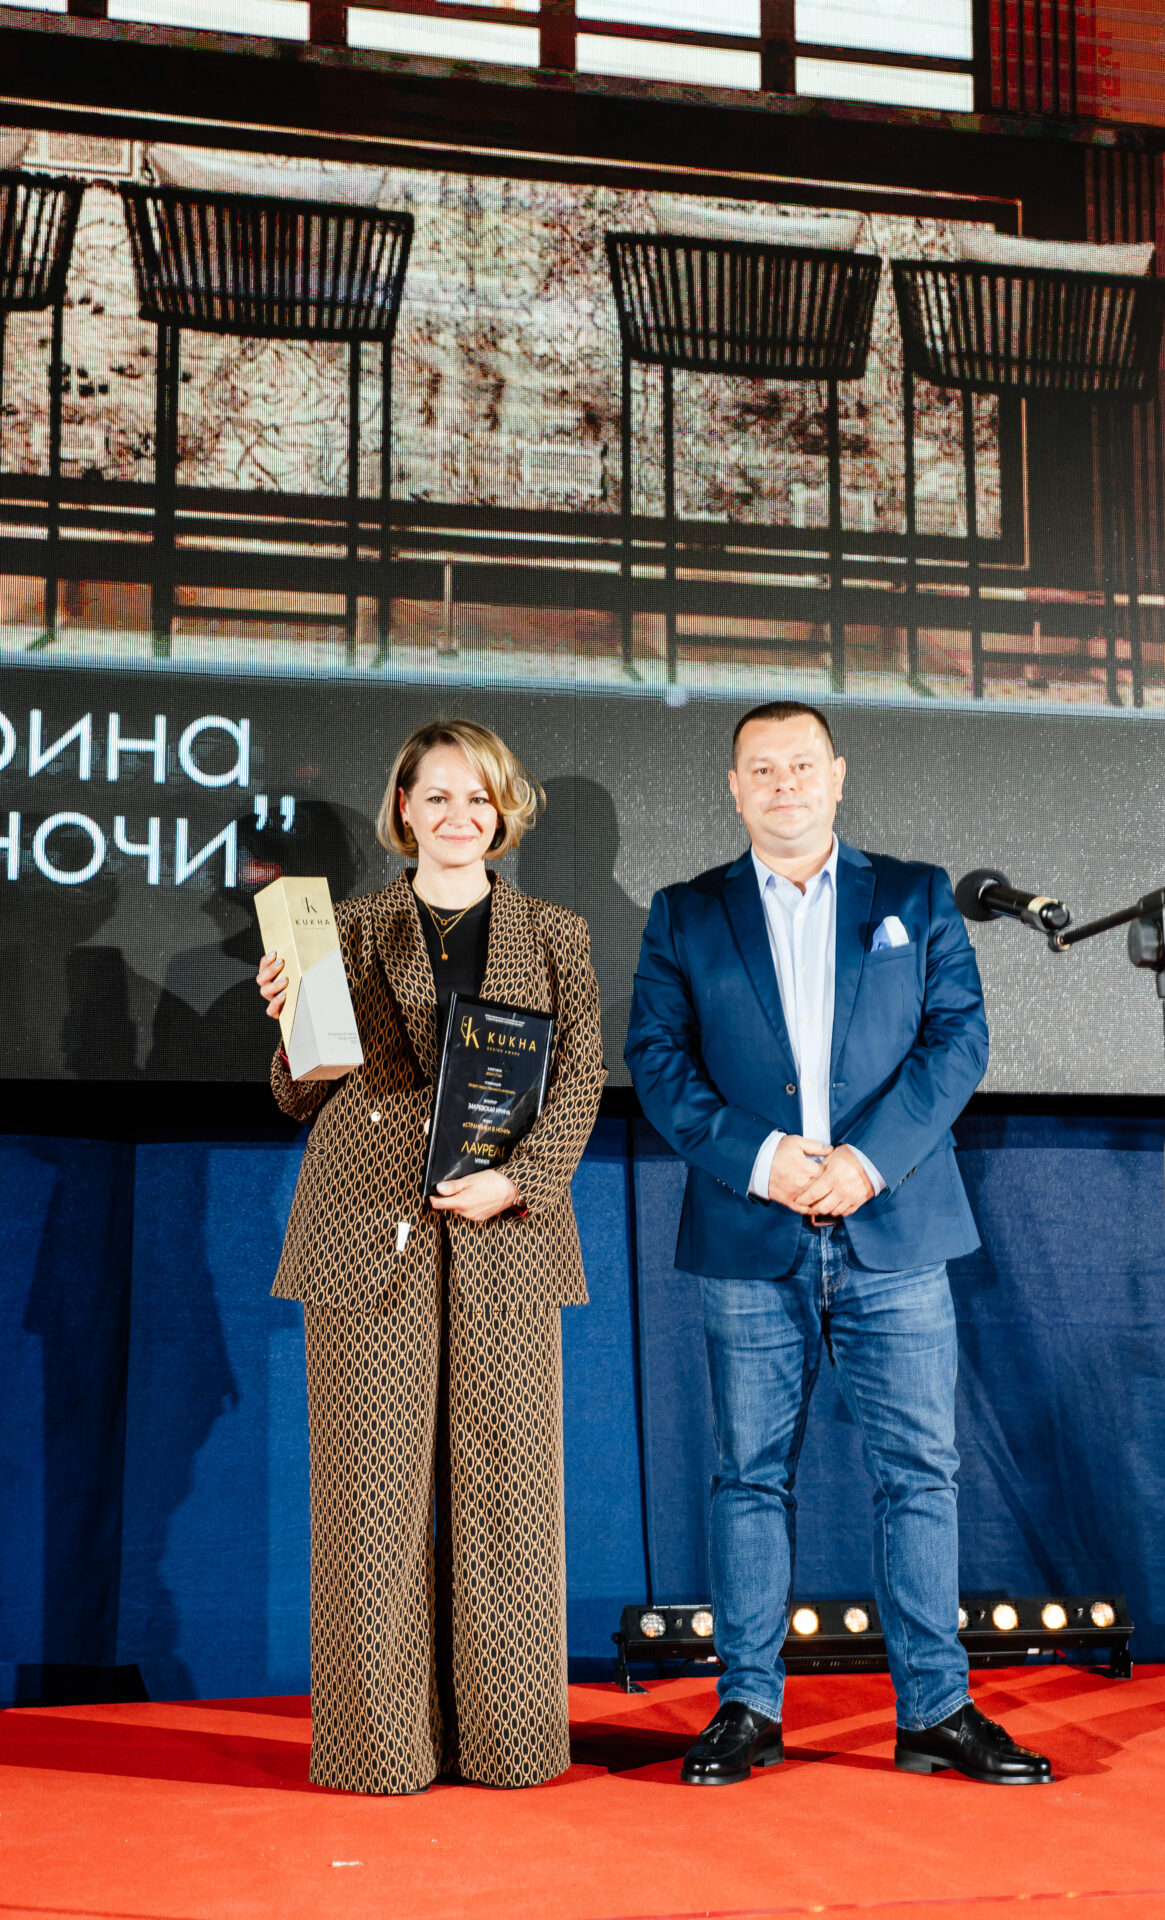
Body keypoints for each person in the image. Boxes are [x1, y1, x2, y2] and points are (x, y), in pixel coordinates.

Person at [624, 700, 1052, 1789]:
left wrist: (866, 1163)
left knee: (919, 1474)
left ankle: (935, 1709)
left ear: (837, 774)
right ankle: (747, 1707)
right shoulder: (685, 912)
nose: (784, 784)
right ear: (733, 789)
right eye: (761, 769)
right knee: (747, 1477)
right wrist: (765, 1160)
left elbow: (958, 1041)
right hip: (750, 1229)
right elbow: (658, 1062)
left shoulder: (914, 895)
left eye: (801, 765)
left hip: (892, 1226)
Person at [257, 718, 607, 1795]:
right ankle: (377, 1750)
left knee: (510, 1493)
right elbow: (297, 1093)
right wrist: (292, 1021)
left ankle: (511, 1743)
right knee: (370, 1498)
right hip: (367, 1226)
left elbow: (580, 1078)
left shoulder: (555, 933)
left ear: (505, 813)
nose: (460, 816)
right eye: (438, 796)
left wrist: (521, 1178)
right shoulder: (338, 928)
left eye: (479, 797)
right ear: (403, 808)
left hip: (506, 1231)